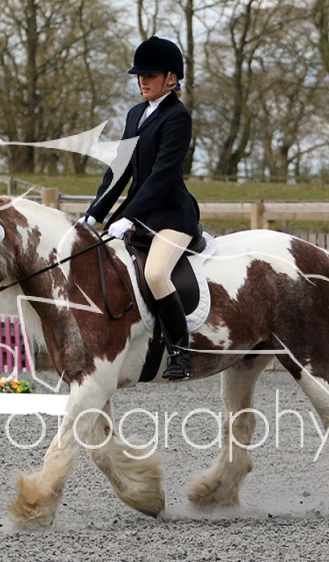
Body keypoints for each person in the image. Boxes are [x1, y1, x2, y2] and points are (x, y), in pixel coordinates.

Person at [80, 36, 200, 381]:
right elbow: (120, 169)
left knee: (156, 274)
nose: (142, 81)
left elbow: (162, 175)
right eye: (139, 75)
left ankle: (180, 354)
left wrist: (129, 216)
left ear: (171, 79)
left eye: (150, 75)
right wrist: (94, 214)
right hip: (139, 213)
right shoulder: (135, 114)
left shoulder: (177, 117)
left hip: (172, 214)